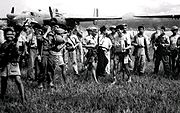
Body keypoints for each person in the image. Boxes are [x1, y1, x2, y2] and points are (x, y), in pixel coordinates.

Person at [0, 27, 25, 103]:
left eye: (11, 34)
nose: (10, 36)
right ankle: (2, 97)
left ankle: (23, 99)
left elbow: (18, 51)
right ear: (5, 35)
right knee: (3, 81)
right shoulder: (4, 45)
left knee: (18, 80)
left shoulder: (15, 43)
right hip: (5, 64)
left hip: (14, 63)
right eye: (8, 34)